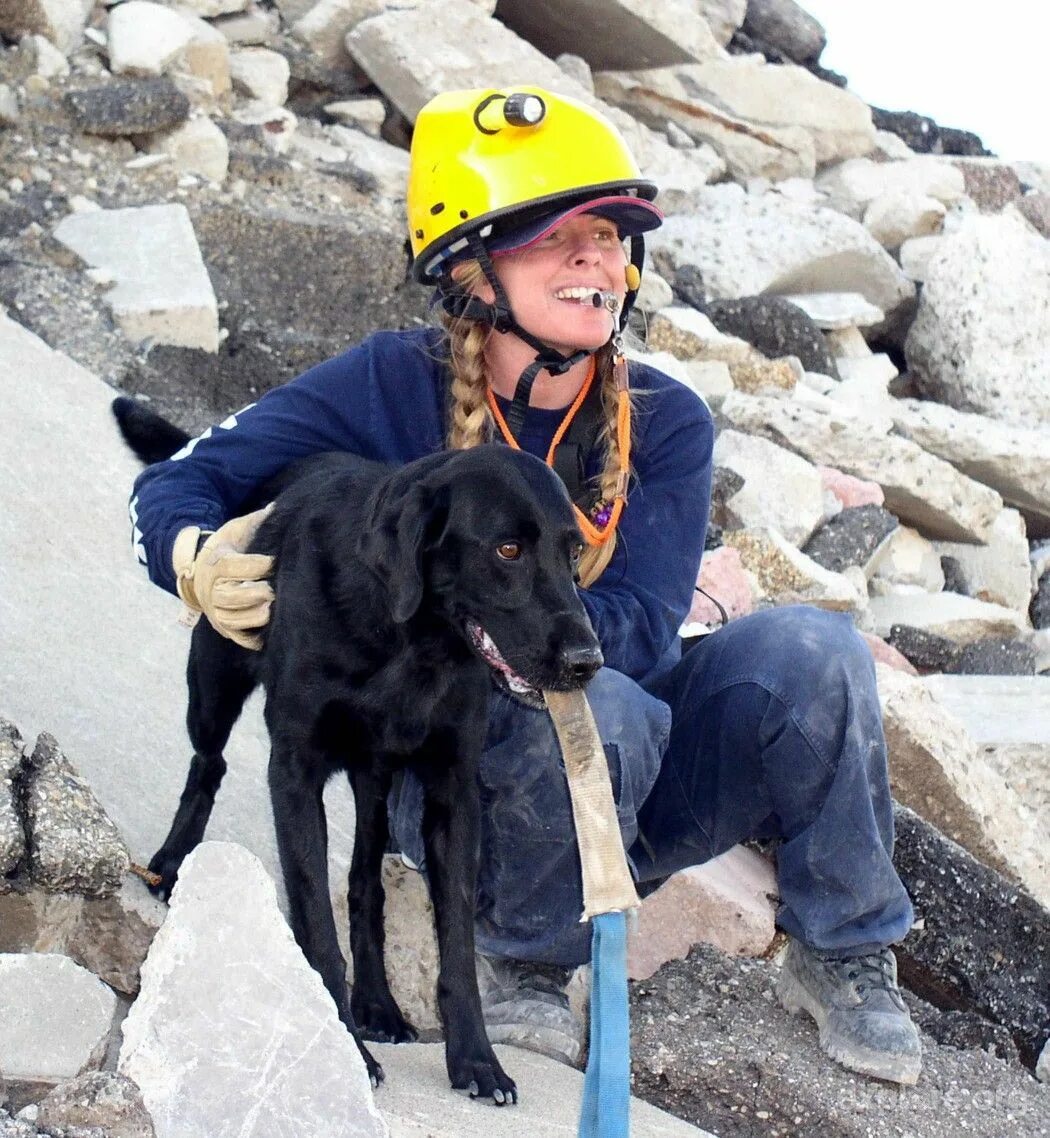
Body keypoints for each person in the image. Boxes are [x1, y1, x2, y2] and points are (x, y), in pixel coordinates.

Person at [127, 86, 921, 1086]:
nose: (601, 260)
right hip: (457, 781)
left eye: (612, 239)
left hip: (627, 778)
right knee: (598, 705)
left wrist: (538, 611)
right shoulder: (383, 380)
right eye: (561, 238)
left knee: (814, 654)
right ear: (471, 266)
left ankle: (845, 951)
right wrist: (193, 556)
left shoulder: (665, 422)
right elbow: (180, 479)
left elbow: (633, 629)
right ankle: (525, 959)